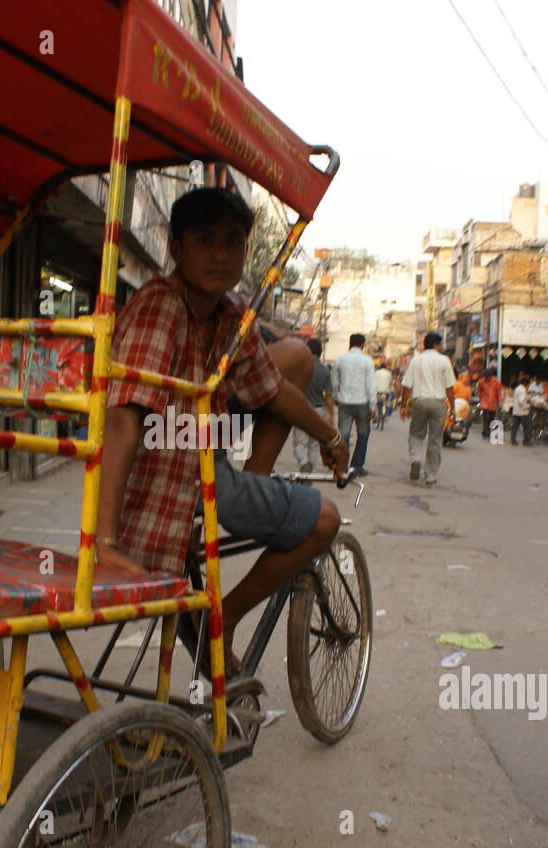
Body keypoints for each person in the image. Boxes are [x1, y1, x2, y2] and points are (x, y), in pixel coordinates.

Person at [95, 187, 347, 679]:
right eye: (205, 240)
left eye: (232, 243)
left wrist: (331, 438)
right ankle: (224, 620)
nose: (220, 255)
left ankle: (254, 491)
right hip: (172, 477)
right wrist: (105, 541)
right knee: (325, 521)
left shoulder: (232, 315)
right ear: (176, 247)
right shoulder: (161, 306)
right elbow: (123, 417)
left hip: (204, 462)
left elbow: (272, 391)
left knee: (293, 357)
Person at [399, 331, 456, 484]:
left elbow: (406, 386)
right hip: (438, 403)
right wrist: (453, 409)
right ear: (436, 345)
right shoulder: (444, 361)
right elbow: (450, 388)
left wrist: (404, 405)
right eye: (440, 345)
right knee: (435, 439)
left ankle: (416, 459)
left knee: (416, 433)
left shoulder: (416, 360)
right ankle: (431, 475)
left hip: (419, 401)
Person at [332, 333, 376, 476]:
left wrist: (335, 397)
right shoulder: (367, 361)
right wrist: (373, 406)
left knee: (343, 435)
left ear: (350, 343)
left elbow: (334, 382)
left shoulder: (340, 360)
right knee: (363, 434)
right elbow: (371, 385)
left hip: (344, 401)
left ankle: (342, 465)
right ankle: (357, 466)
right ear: (363, 344)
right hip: (362, 402)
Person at [292, 337, 335, 471]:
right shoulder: (325, 370)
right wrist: (331, 414)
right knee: (314, 443)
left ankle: (304, 462)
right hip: (320, 410)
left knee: (299, 442)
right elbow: (328, 395)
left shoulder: (300, 367)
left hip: (302, 408)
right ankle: (311, 471)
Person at [478, 368, 504, 439]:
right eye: (486, 376)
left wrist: (500, 400)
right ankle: (486, 432)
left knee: (491, 419)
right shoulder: (481, 382)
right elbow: (479, 391)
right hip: (485, 403)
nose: (487, 378)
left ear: (491, 376)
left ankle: (486, 431)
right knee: (486, 418)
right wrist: (480, 400)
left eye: (488, 376)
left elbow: (499, 392)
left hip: (493, 403)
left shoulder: (496, 382)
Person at [510, 374, 533, 445]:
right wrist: (528, 406)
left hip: (516, 411)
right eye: (527, 384)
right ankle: (526, 441)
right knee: (528, 426)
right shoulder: (523, 389)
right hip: (523, 412)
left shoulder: (517, 388)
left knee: (515, 427)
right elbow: (521, 401)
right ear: (525, 383)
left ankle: (513, 440)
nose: (528, 385)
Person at [374, 360, 393, 428]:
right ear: (385, 368)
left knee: (376, 405)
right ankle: (385, 413)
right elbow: (391, 383)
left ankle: (376, 417)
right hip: (386, 392)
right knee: (387, 402)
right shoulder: (388, 373)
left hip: (377, 392)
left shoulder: (376, 373)